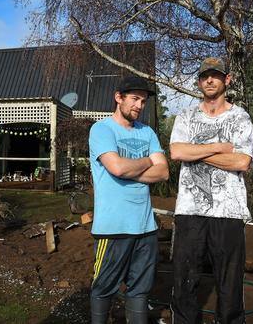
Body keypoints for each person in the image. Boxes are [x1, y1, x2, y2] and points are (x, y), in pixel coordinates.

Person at [169, 57, 253, 324]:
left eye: (215, 75)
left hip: (228, 212)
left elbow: (241, 161)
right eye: (205, 76)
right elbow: (176, 151)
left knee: (229, 284)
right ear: (199, 82)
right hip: (189, 211)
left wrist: (194, 151)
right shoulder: (185, 116)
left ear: (226, 80)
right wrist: (219, 147)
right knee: (185, 279)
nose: (209, 80)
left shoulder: (240, 117)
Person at [88, 76, 169, 324]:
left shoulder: (148, 132)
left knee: (140, 290)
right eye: (134, 99)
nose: (139, 105)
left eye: (143, 101)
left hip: (145, 227)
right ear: (118, 97)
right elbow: (118, 168)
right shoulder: (101, 129)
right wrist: (147, 161)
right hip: (113, 227)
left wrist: (131, 167)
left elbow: (164, 172)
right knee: (103, 288)